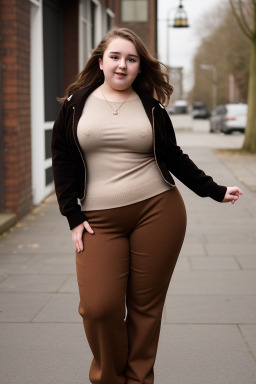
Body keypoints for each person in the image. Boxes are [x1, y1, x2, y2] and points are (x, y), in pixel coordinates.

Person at [51, 27, 243, 384]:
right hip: (97, 220)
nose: (122, 65)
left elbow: (173, 156)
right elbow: (61, 158)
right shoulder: (77, 103)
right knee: (99, 307)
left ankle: (139, 379)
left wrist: (214, 190)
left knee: (145, 309)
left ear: (140, 67)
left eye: (131, 59)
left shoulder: (151, 108)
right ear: (101, 61)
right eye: (115, 57)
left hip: (157, 212)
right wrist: (72, 215)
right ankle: (110, 377)